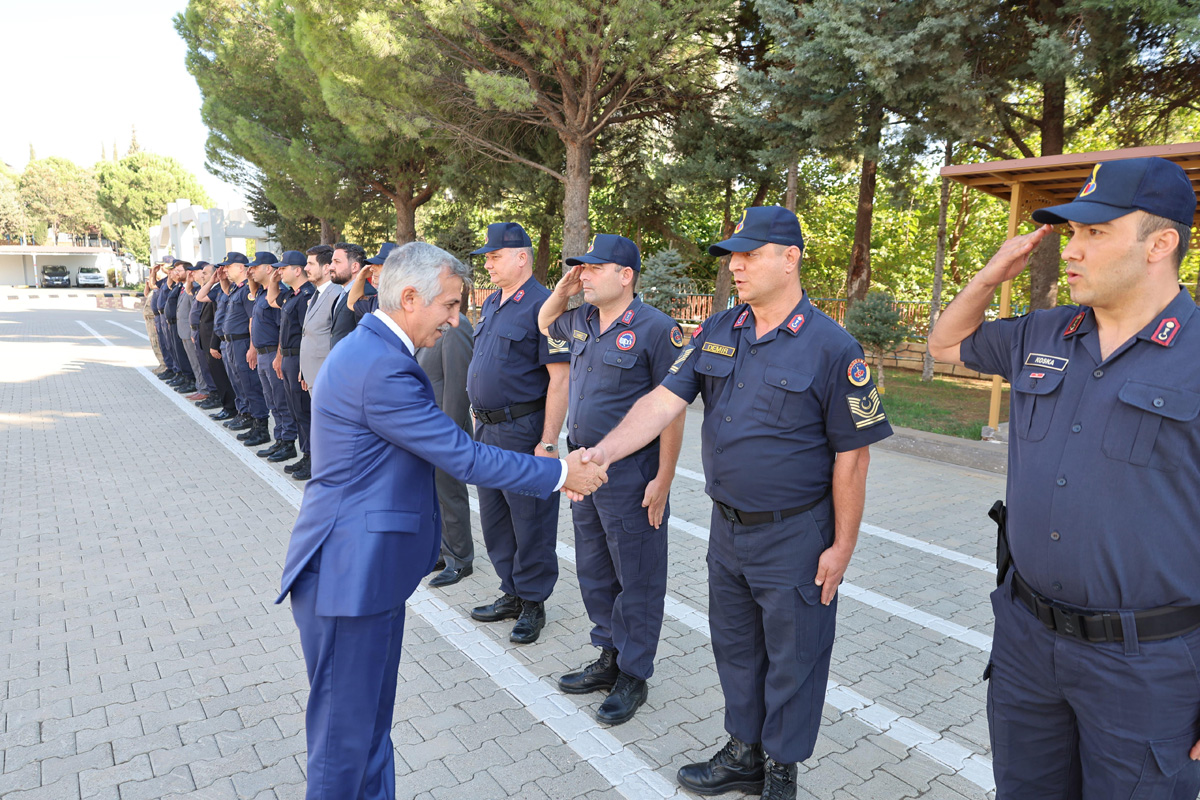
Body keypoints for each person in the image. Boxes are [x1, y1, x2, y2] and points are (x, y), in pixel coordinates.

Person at [275, 241, 609, 800]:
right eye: (450, 306)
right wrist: (558, 474)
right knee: (344, 742)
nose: (456, 321)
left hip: (366, 574)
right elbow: (464, 455)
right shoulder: (381, 366)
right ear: (410, 297)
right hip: (348, 576)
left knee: (370, 730)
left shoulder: (375, 351)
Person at [580, 206, 893, 799]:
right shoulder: (721, 329)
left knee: (794, 657)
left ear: (790, 258)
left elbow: (853, 457)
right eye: (734, 256)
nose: (737, 266)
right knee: (736, 646)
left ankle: (781, 768)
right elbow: (662, 401)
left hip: (796, 535)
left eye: (750, 255)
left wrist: (843, 545)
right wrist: (601, 454)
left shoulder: (831, 346)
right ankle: (744, 752)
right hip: (728, 531)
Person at [927, 156, 1200, 799]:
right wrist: (995, 270)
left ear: (1161, 244)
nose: (1072, 249)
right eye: (1071, 233)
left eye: (1095, 233)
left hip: (1148, 665)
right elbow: (944, 343)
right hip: (1027, 640)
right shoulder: (1044, 332)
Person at [538, 234, 686, 725]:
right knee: (595, 568)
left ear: (626, 275)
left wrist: (663, 476)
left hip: (632, 473)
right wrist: (562, 289)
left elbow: (673, 410)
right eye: (580, 268)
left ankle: (634, 673)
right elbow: (543, 322)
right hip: (585, 471)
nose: (584, 274)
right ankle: (608, 655)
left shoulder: (658, 329)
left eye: (594, 268)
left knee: (637, 577)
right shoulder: (579, 320)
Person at [466, 222, 571, 645]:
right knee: (494, 518)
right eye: (486, 257)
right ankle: (510, 590)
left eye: (494, 256)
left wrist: (548, 441)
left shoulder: (545, 305)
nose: (487, 263)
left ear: (521, 257)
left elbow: (560, 380)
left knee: (531, 520)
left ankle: (533, 602)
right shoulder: (492, 302)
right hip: (486, 429)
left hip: (522, 429)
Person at [419, 309, 476, 588]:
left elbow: (457, 386)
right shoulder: (431, 321)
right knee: (435, 494)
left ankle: (461, 560)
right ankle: (443, 551)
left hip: (445, 429)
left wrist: (448, 436)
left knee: (450, 493)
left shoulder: (456, 326)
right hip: (427, 429)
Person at [267, 251, 316, 479]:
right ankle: (306, 454)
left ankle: (313, 459)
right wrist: (274, 281)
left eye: (284, 268)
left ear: (298, 270)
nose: (280, 271)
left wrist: (305, 368)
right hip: (287, 358)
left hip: (298, 359)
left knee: (304, 410)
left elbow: (308, 334)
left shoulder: (307, 296)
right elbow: (271, 300)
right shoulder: (291, 295)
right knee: (296, 410)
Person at [247, 251, 298, 462]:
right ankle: (279, 438)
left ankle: (288, 442)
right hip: (262, 354)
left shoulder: (279, 294)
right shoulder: (263, 293)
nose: (251, 271)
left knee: (281, 400)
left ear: (268, 269)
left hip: (273, 354)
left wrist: (278, 356)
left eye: (255, 267)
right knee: (272, 401)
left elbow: (282, 329)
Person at [219, 251, 271, 448]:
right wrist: (223, 280)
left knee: (251, 385)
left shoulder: (248, 292)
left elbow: (252, 321)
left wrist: (252, 348)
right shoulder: (236, 289)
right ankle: (251, 420)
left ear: (241, 267)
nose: (224, 269)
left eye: (228, 266)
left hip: (243, 343)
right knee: (241, 384)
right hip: (233, 343)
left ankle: (261, 426)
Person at [195, 262, 237, 415]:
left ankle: (231, 408)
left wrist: (214, 344)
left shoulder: (229, 289)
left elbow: (217, 321)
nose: (202, 276)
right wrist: (213, 281)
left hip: (219, 341)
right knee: (219, 377)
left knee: (225, 378)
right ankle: (229, 408)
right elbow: (200, 297)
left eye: (206, 273)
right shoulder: (218, 289)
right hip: (214, 340)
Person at [299, 244, 341, 394]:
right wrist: (303, 368)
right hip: (312, 373)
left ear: (326, 268)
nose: (306, 268)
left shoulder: (336, 294)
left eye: (310, 264)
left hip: (327, 376)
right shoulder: (317, 294)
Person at [329, 242, 375, 347]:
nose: (331, 267)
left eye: (337, 262)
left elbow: (366, 339)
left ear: (354, 267)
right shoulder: (342, 294)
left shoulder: (366, 293)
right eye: (332, 262)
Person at [141, 260, 168, 375]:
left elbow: (154, 285)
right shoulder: (155, 287)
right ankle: (162, 364)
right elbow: (146, 293)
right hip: (150, 319)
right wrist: (147, 283)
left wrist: (154, 274)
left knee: (158, 342)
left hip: (155, 318)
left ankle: (165, 364)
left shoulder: (163, 284)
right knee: (154, 342)